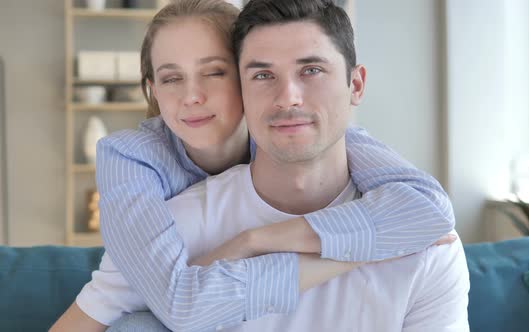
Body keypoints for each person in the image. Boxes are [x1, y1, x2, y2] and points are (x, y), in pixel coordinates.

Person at [50, 0, 457, 331]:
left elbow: (432, 209)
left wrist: (259, 240)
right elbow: (179, 305)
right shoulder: (137, 167)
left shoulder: (331, 139)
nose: (289, 97)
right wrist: (359, 252)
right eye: (172, 79)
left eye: (214, 72)